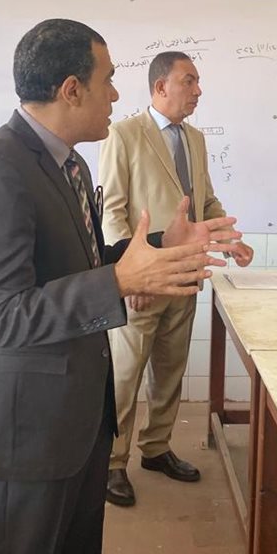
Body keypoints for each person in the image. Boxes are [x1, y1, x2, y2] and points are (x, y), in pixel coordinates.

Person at [0, 18, 241, 554]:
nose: (116, 94)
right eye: (108, 80)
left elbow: (78, 269)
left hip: (79, 408)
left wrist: (162, 245)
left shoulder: (70, 166)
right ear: (71, 88)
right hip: (25, 421)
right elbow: (1, 316)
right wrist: (120, 281)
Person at [97, 51, 254, 507]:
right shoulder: (124, 134)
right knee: (125, 376)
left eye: (198, 81)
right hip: (142, 282)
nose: (198, 90)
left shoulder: (195, 139)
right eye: (190, 80)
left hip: (186, 275)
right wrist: (131, 274)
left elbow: (205, 203)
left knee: (170, 370)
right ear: (160, 86)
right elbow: (112, 213)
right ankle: (112, 463)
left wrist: (230, 239)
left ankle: (156, 448)